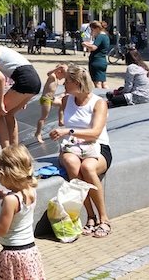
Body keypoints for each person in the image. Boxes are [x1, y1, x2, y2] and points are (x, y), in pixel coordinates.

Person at [49, 64, 112, 238]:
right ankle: (90, 217)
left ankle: (104, 219)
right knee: (72, 163)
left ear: (77, 83)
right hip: (72, 147)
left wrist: (67, 131)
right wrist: (51, 77)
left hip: (97, 146)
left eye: (67, 81)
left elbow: (95, 132)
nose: (64, 84)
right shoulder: (66, 99)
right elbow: (45, 100)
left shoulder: (98, 103)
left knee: (88, 168)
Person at [0, 145, 46, 280]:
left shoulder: (11, 200)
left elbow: (1, 230)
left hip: (13, 255)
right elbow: (20, 208)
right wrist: (5, 196)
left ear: (9, 174)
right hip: (30, 252)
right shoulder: (30, 190)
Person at [34, 64, 68, 143]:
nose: (62, 78)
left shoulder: (56, 78)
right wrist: (57, 68)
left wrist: (62, 95)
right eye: (63, 76)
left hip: (52, 98)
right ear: (59, 72)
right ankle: (38, 133)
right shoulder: (53, 76)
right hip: (46, 99)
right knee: (44, 117)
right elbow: (48, 73)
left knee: (62, 104)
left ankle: (61, 121)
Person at [83, 21, 110, 89]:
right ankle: (108, 96)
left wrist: (85, 44)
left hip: (96, 61)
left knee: (97, 83)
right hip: (102, 60)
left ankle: (99, 96)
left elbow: (93, 47)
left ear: (97, 29)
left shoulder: (100, 36)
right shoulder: (106, 36)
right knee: (104, 82)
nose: (91, 32)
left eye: (92, 30)